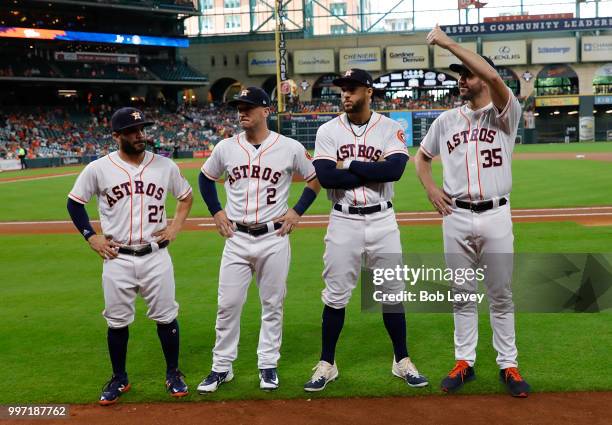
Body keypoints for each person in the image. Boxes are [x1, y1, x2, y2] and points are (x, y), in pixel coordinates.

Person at [414, 25, 531, 397]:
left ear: (481, 75)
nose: (460, 79)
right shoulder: (446, 121)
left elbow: (495, 76)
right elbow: (421, 157)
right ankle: (465, 362)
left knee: (500, 294)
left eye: (466, 73)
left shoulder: (504, 115)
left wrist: (448, 41)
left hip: (496, 214)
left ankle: (508, 365)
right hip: (456, 216)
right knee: (462, 294)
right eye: (459, 74)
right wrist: (431, 188)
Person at [303, 69, 428, 392]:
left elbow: (395, 170)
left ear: (369, 92)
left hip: (382, 221)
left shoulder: (389, 127)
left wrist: (351, 166)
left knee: (392, 295)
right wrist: (371, 171)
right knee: (335, 297)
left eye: (353, 88)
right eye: (343, 89)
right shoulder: (328, 130)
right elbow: (327, 178)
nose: (345, 94)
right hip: (343, 221)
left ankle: (402, 360)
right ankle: (327, 364)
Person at [196, 87, 321, 392]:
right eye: (239, 106)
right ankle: (221, 367)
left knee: (272, 304)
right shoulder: (226, 147)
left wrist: (296, 212)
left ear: (266, 111)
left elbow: (315, 178)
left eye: (248, 106)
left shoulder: (289, 147)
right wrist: (216, 212)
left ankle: (268, 364)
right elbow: (205, 177)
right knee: (228, 304)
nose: (242, 112)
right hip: (236, 237)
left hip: (273, 236)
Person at [66, 107, 193, 405]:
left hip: (155, 255)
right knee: (117, 321)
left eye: (142, 130)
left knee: (166, 316)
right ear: (117, 136)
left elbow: (185, 196)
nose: (140, 135)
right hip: (117, 257)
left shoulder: (164, 166)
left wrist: (174, 227)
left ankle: (173, 373)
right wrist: (91, 236)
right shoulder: (99, 168)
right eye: (133, 131)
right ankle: (119, 377)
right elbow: (74, 204)